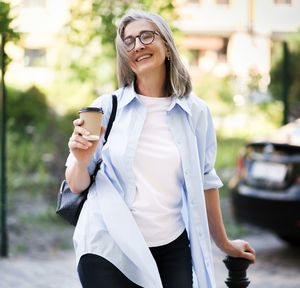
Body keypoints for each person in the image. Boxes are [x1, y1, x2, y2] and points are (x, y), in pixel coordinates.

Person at [65, 9, 256, 288]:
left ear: (166, 46)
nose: (137, 45)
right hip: (108, 244)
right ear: (125, 57)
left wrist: (224, 243)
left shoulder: (196, 112)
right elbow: (77, 185)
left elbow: (206, 182)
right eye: (128, 41)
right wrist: (81, 160)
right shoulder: (107, 107)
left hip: (169, 245)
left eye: (146, 36)